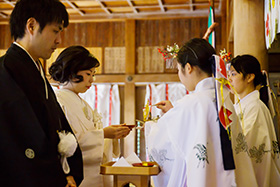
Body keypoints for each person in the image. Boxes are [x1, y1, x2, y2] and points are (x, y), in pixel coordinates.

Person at [0, 0, 83, 186]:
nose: (59, 40)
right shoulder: (6, 70)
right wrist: (57, 176)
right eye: (56, 30)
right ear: (31, 25)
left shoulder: (35, 68)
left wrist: (68, 170)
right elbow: (19, 135)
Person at [145, 38, 236, 187]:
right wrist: (174, 112)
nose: (179, 75)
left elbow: (164, 142)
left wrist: (150, 127)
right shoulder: (225, 100)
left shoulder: (191, 103)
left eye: (178, 69)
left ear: (188, 68)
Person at [49, 45, 132, 187]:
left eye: (93, 74)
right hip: (75, 175)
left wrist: (108, 134)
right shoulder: (57, 101)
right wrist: (103, 134)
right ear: (72, 72)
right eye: (89, 74)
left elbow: (88, 135)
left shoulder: (83, 103)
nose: (92, 80)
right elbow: (64, 143)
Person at [228, 54, 280, 187]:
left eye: (233, 74)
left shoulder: (255, 108)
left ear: (250, 77)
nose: (229, 79)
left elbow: (245, 143)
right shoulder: (240, 106)